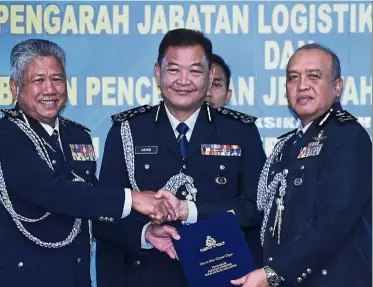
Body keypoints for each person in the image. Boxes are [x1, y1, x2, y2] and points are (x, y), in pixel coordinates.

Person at [0, 39, 179, 287]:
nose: (50, 89)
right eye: (38, 80)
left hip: (75, 278)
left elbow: (92, 206)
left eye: (57, 79)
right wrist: (132, 198)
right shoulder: (7, 135)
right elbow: (54, 192)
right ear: (15, 87)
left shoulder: (77, 136)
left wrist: (144, 233)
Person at [96, 28, 266, 287]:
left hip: (223, 277)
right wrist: (145, 233)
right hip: (147, 277)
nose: (183, 80)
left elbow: (257, 206)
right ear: (157, 73)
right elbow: (104, 213)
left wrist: (191, 211)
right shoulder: (128, 130)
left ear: (210, 78)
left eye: (195, 71)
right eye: (174, 69)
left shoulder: (240, 132)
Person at [231, 43, 372, 287]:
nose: (302, 85)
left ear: (337, 87)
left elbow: (333, 223)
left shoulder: (348, 136)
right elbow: (253, 207)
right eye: (293, 77)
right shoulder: (286, 146)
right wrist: (186, 210)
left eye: (314, 76)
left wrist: (273, 273)